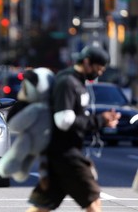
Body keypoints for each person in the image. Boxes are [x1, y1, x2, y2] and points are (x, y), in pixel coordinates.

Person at [27, 45, 121, 212]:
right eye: (98, 68)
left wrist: (103, 120)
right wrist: (99, 120)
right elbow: (63, 120)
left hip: (59, 154)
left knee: (42, 206)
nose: (99, 73)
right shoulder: (67, 82)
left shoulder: (76, 81)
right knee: (93, 199)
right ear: (86, 62)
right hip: (66, 154)